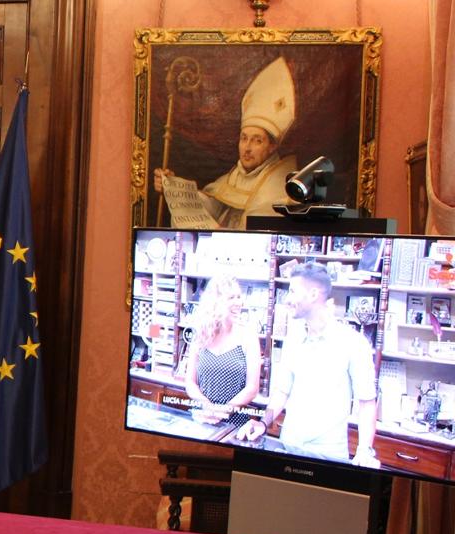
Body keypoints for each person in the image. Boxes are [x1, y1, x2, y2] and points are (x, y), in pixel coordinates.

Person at [235, 263, 379, 466]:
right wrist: (263, 423)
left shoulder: (354, 343)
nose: (287, 299)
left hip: (328, 456)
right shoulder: (293, 338)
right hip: (289, 448)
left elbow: (366, 403)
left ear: (313, 294)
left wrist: (364, 451)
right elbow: (281, 393)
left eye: (293, 291)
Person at [153, 57, 299, 228]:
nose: (247, 148)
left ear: (272, 147)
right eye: (244, 138)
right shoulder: (236, 175)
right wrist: (174, 189)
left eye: (257, 140)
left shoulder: (277, 187)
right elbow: (210, 207)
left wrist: (220, 234)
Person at [183, 276, 261, 427]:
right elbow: (190, 382)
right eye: (232, 298)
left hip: (234, 424)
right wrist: (207, 406)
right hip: (202, 418)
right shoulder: (201, 334)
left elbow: (252, 388)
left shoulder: (248, 335)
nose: (239, 303)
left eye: (239, 297)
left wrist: (222, 411)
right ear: (215, 301)